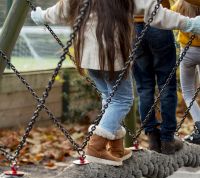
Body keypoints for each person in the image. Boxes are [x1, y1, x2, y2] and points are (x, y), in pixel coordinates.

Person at [31, 0, 200, 166]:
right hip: (111, 55)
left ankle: (116, 146)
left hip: (87, 55)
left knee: (109, 97)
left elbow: (59, 10)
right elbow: (155, 12)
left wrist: (41, 16)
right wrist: (189, 24)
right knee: (122, 100)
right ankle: (96, 146)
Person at [133, 0, 179, 155]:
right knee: (167, 85)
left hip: (133, 26)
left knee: (144, 87)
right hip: (159, 21)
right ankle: (167, 139)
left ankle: (152, 136)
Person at [172, 0, 200, 145]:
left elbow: (167, 16)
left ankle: (199, 124)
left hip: (188, 52)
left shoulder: (179, 5)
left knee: (188, 92)